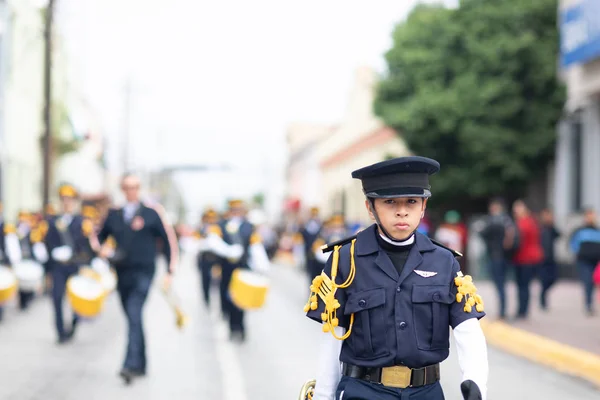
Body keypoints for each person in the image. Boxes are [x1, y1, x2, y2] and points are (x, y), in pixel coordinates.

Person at [305, 156, 488, 400]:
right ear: (370, 208)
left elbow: (468, 328)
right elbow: (331, 337)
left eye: (411, 202)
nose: (402, 211)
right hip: (363, 392)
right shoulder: (345, 260)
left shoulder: (444, 261)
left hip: (426, 393)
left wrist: (475, 384)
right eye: (390, 202)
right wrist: (323, 396)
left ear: (423, 207)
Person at [93, 173, 178, 384]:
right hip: (122, 273)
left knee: (134, 312)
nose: (131, 191)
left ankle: (130, 364)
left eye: (135, 187)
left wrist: (170, 270)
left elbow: (169, 242)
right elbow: (98, 238)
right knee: (133, 317)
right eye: (127, 187)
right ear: (122, 189)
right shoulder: (114, 214)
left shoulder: (151, 213)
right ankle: (141, 363)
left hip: (144, 272)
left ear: (139, 189)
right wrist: (102, 250)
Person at [38, 184, 94, 343]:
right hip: (58, 266)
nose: (66, 203)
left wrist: (84, 262)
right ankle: (61, 332)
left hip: (75, 265)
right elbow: (47, 244)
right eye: (64, 199)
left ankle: (74, 323)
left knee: (77, 299)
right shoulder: (51, 221)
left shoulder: (82, 221)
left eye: (69, 199)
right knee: (56, 298)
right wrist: (50, 259)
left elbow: (86, 247)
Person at [479, 198, 515, 319]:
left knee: (499, 284)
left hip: (496, 255)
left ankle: (502, 311)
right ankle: (503, 310)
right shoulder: (507, 221)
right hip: (503, 256)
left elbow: (483, 233)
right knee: (501, 284)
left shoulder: (493, 221)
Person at [511, 200, 543, 319]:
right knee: (522, 285)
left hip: (525, 258)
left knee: (523, 285)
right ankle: (522, 310)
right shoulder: (531, 222)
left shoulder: (524, 223)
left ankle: (522, 311)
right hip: (524, 258)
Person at [569, 207, 600, 316]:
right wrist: (577, 253)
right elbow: (572, 243)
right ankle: (588, 304)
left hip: (595, 261)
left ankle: (590, 303)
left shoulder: (597, 230)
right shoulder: (580, 231)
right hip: (583, 260)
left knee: (592, 283)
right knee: (587, 281)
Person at [539, 208, 560, 310]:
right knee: (544, 280)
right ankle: (543, 300)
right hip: (541, 258)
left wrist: (552, 224)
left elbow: (559, 235)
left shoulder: (551, 228)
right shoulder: (539, 228)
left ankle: (543, 293)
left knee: (553, 278)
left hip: (551, 258)